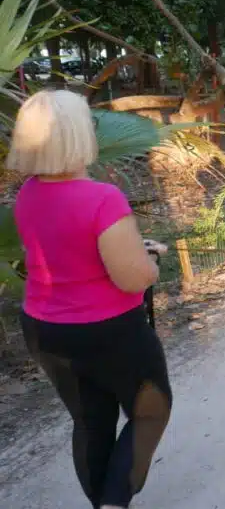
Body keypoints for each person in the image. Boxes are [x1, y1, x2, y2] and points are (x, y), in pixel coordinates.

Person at [7, 90, 171, 509]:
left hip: (45, 330)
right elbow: (134, 278)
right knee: (151, 410)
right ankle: (114, 501)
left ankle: (102, 501)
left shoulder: (28, 194)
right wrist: (150, 262)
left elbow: (66, 251)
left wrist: (135, 248)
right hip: (109, 331)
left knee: (91, 421)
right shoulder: (103, 198)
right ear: (80, 135)